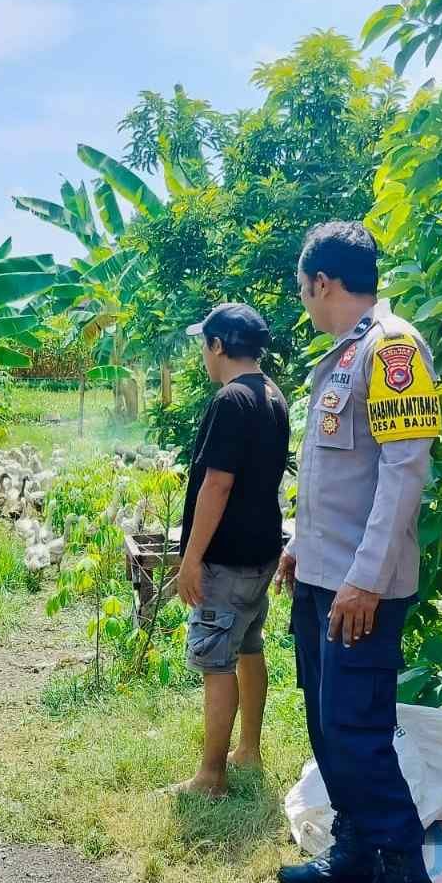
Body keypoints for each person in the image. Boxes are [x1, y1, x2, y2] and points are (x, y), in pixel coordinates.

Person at [274, 222, 442, 883]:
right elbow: (339, 479)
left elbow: (404, 475)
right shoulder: (346, 356)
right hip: (323, 579)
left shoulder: (394, 348)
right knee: (325, 725)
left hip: (359, 591)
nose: (304, 301)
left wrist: (365, 582)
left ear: (322, 282)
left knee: (357, 732)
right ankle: (354, 853)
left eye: (303, 289)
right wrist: (298, 549)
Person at [171, 302, 290, 799]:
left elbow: (216, 485)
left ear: (218, 346)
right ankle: (249, 749)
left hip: (226, 558)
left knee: (215, 662)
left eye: (205, 344)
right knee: (248, 647)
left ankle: (211, 776)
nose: (203, 353)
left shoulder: (230, 401)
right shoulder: (273, 396)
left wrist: (191, 559)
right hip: (260, 550)